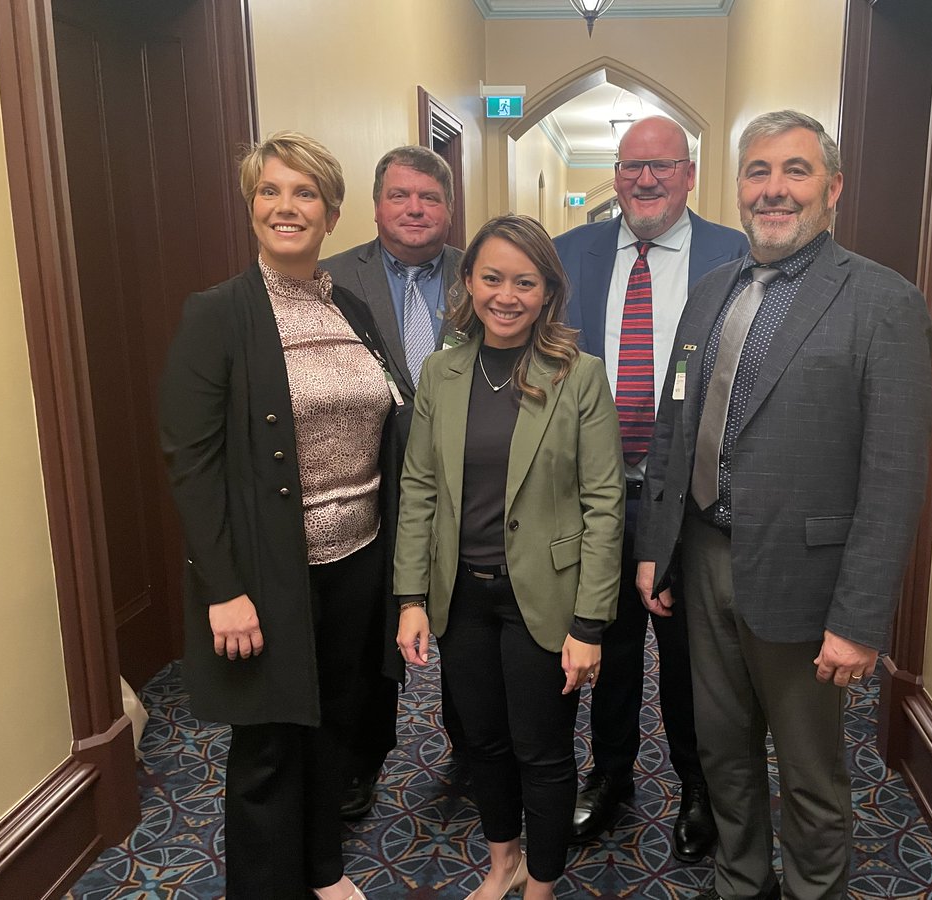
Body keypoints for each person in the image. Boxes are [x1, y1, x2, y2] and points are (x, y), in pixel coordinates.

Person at [635, 110, 932, 900]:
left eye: (795, 171)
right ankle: (740, 880)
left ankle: (813, 890)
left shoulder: (883, 303)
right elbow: (675, 425)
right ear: (738, 188)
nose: (774, 189)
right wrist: (657, 548)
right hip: (703, 556)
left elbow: (895, 476)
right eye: (758, 171)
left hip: (807, 580)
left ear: (832, 188)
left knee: (809, 772)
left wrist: (860, 620)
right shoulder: (711, 292)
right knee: (722, 750)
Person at [159, 131, 401, 900]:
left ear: (331, 213)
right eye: (269, 191)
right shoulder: (218, 314)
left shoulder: (349, 306)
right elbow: (191, 464)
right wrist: (224, 588)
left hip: (357, 559)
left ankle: (322, 867)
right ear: (251, 205)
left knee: (334, 723)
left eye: (304, 193)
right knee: (267, 746)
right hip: (269, 574)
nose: (285, 206)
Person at [394, 215, 625, 900]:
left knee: (541, 750)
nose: (506, 295)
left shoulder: (580, 376)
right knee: (484, 744)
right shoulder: (440, 372)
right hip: (461, 595)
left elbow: (604, 503)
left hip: (545, 597)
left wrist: (589, 624)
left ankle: (542, 885)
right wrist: (411, 598)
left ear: (548, 291)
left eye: (525, 282)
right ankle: (504, 863)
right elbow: (419, 487)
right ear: (468, 281)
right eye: (492, 278)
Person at [553, 115, 747, 862]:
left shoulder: (735, 254)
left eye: (662, 165)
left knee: (694, 654)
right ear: (615, 175)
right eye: (631, 165)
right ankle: (610, 775)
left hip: (692, 499)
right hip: (596, 495)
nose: (645, 179)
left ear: (689, 174)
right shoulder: (568, 255)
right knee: (607, 645)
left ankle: (699, 785)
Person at [323, 145, 466, 818]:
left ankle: (472, 745)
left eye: (429, 197)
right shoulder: (328, 280)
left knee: (468, 622)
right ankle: (361, 760)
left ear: (449, 208)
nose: (415, 209)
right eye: (400, 195)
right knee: (369, 631)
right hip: (365, 482)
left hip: (467, 484)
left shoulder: (481, 273)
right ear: (376, 205)